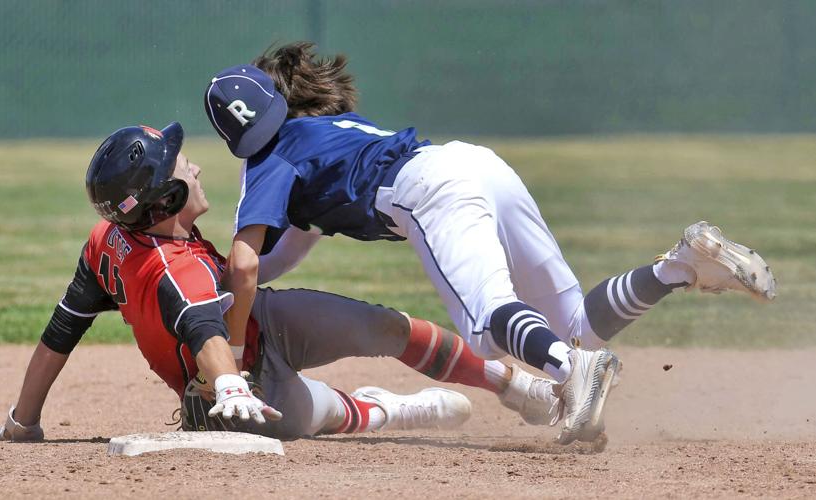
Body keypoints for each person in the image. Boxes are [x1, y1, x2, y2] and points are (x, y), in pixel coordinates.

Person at [203, 43, 777, 441]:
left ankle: (570, 371)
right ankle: (681, 266)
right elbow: (288, 252)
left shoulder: (267, 160)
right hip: (477, 164)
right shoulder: (325, 133)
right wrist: (229, 284)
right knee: (573, 321)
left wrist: (228, 343)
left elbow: (251, 262)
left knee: (486, 327)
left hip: (427, 190)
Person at [0, 122, 573, 443]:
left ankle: (518, 389)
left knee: (388, 327)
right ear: (167, 197)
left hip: (260, 318)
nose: (196, 165)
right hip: (240, 390)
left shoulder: (105, 241)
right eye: (181, 164)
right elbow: (201, 322)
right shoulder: (171, 267)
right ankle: (391, 409)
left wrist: (22, 422)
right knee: (332, 417)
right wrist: (231, 386)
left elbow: (61, 332)